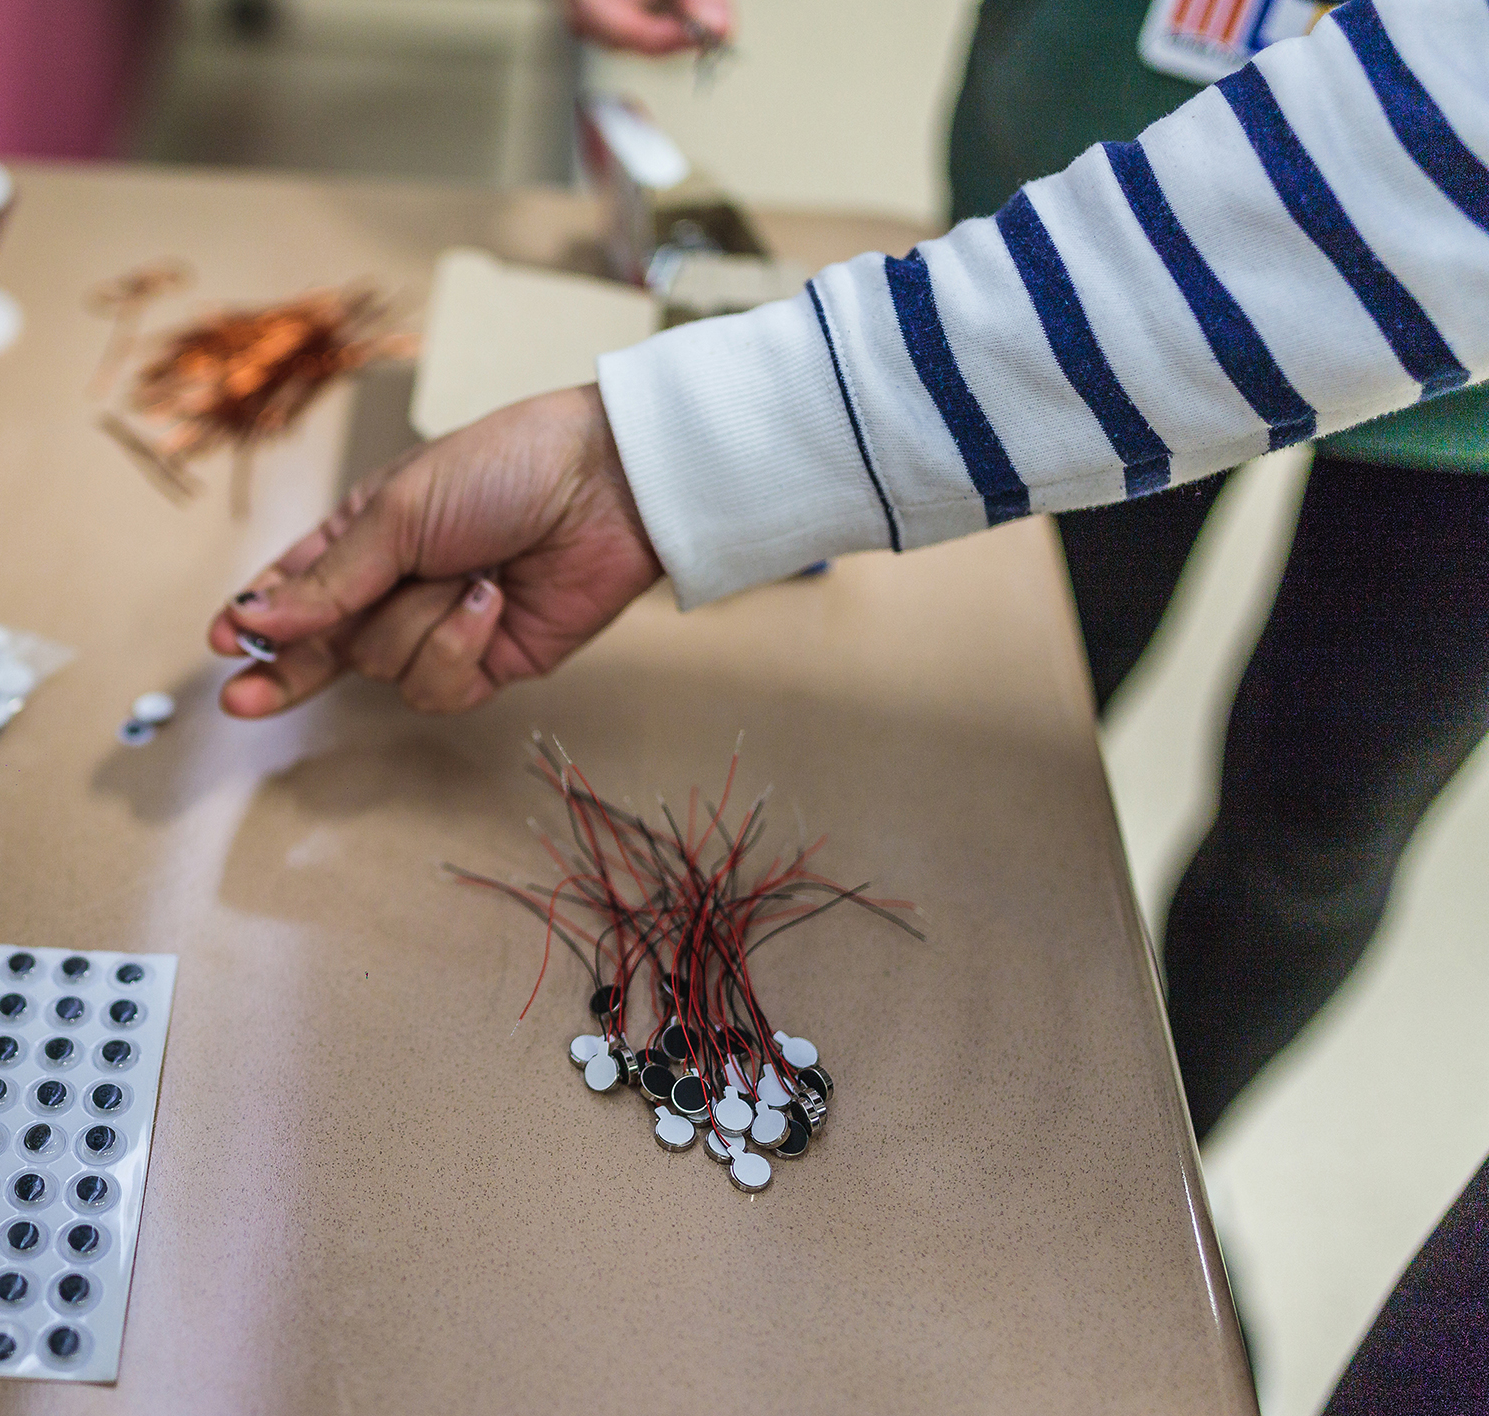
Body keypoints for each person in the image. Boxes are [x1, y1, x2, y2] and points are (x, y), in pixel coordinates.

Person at [208, 1, 1489, 1408]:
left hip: (1459, 411)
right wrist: (642, 466)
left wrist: (653, 460)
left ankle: (1173, 1171)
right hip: (1098, 152)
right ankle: (1050, 1139)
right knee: (1037, 715)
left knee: (1318, 831)